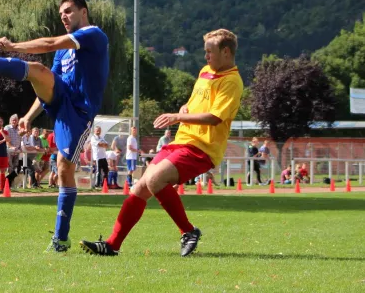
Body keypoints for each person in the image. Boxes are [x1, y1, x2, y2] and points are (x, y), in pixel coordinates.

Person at [80, 28, 243, 257]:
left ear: (226, 52)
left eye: (210, 52)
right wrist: (185, 109)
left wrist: (178, 117)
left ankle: (188, 231)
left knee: (156, 179)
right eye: (205, 52)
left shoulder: (232, 82)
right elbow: (194, 104)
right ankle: (112, 245)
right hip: (181, 141)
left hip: (202, 147)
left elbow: (215, 117)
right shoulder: (206, 71)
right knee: (140, 187)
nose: (206, 56)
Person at [0, 0, 109, 252]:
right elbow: (47, 81)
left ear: (84, 12)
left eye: (69, 11)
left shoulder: (94, 34)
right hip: (60, 99)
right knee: (38, 70)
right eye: (61, 15)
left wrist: (12, 46)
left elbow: (48, 43)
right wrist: (27, 117)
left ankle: (61, 238)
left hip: (78, 112)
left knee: (64, 167)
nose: (64, 17)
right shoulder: (63, 50)